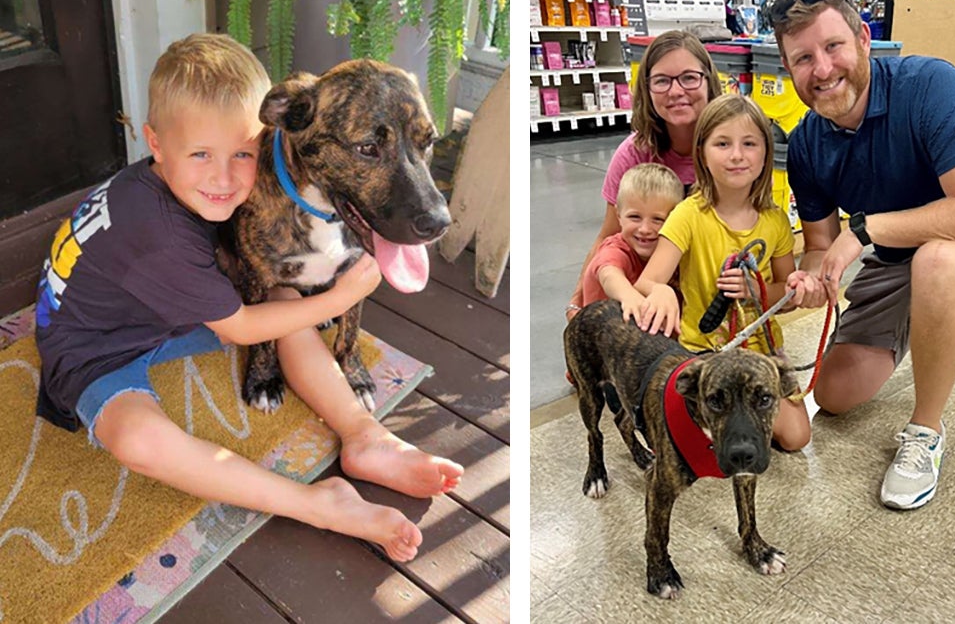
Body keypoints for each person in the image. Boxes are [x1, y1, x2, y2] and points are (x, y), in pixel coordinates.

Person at [33, 33, 464, 562]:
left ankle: (364, 434)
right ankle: (317, 502)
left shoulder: (168, 194)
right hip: (91, 345)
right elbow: (239, 328)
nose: (224, 177)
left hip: (153, 309)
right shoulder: (158, 236)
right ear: (156, 143)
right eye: (201, 155)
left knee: (283, 302)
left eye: (243, 152)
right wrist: (341, 297)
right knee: (138, 441)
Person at [770, 0, 955, 508]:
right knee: (834, 398)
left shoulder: (928, 83)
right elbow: (819, 244)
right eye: (802, 58)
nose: (821, 70)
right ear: (788, 68)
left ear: (864, 38)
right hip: (894, 264)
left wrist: (864, 230)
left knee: (937, 263)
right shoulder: (806, 145)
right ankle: (929, 321)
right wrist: (814, 276)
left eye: (833, 46)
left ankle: (926, 432)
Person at [634, 94, 812, 451]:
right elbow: (646, 282)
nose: (736, 155)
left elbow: (786, 299)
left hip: (761, 352)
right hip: (701, 352)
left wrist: (756, 291)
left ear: (766, 153)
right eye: (722, 144)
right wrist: (662, 291)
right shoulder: (688, 215)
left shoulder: (776, 221)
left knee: (796, 438)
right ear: (702, 152)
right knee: (693, 441)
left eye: (749, 144)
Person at [566, 30, 722, 321]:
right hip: (646, 291)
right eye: (662, 81)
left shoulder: (729, 149)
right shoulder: (634, 153)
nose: (676, 92)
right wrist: (577, 304)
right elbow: (610, 235)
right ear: (647, 90)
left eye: (689, 77)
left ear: (709, 81)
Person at [579, 163, 685, 320]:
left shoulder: (670, 251)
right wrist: (629, 296)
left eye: (658, 219)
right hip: (605, 338)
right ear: (618, 215)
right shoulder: (615, 249)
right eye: (635, 217)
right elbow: (609, 273)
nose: (645, 229)